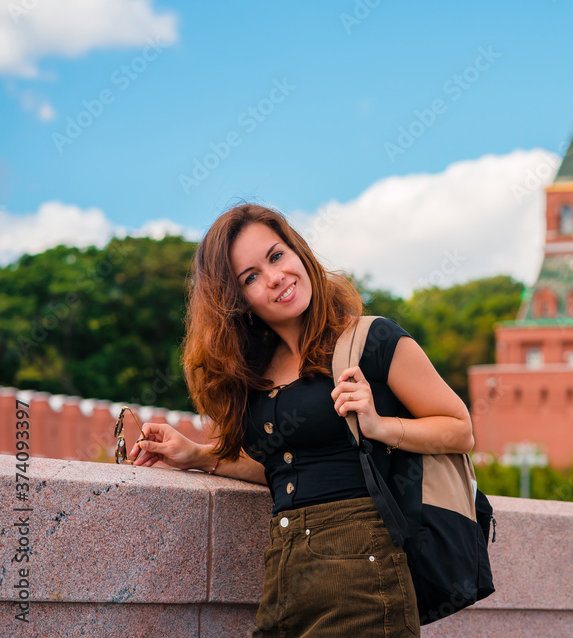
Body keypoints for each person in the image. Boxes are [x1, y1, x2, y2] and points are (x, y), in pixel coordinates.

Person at [128, 203, 474, 636]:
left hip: (364, 573)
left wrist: (380, 426)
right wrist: (196, 454)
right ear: (238, 302)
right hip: (283, 572)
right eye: (250, 277)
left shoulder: (373, 340)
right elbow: (280, 469)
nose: (274, 278)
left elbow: (460, 429)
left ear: (299, 253)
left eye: (276, 256)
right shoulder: (253, 373)